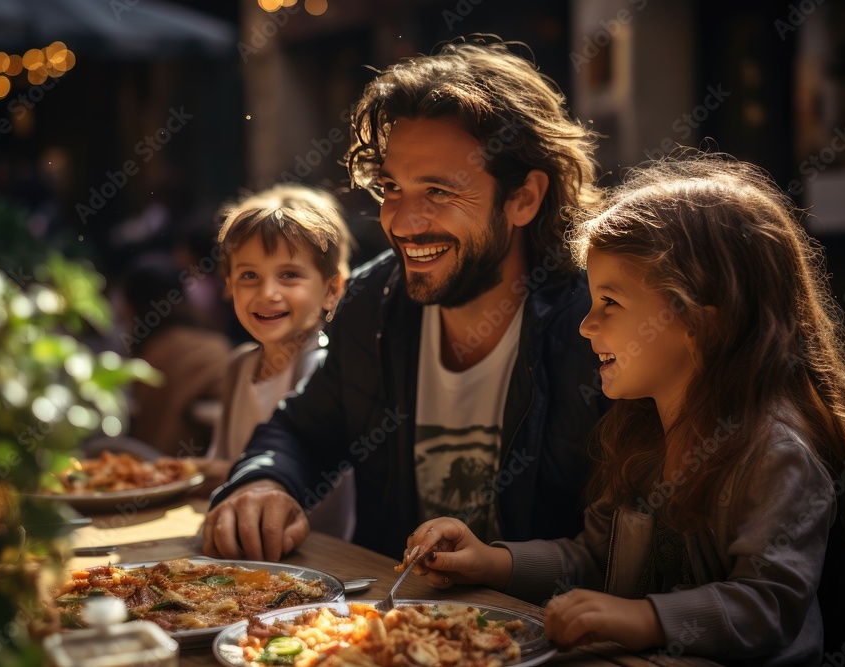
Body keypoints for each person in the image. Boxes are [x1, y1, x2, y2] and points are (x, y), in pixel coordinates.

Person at [401, 153, 845, 665]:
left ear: (703, 321)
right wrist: (489, 562)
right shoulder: (641, 430)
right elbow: (593, 558)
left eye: (611, 302)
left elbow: (767, 606)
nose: (586, 325)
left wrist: (643, 618)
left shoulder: (776, 456)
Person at [203, 35, 610, 562]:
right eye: (392, 188)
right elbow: (301, 432)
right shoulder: (375, 302)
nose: (403, 222)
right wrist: (261, 484)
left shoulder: (596, 326)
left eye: (438, 192)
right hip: (391, 631)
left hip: (550, 636)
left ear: (523, 199)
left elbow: (626, 547)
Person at [191, 184, 356, 539]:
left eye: (289, 275)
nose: (268, 293)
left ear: (332, 290)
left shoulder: (323, 367)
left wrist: (216, 473)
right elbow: (222, 461)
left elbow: (319, 485)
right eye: (250, 276)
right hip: (246, 542)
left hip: (318, 551)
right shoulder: (239, 367)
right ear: (229, 285)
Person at [119, 253, 235, 457]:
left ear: (130, 308)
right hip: (206, 474)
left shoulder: (148, 357)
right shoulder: (216, 346)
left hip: (161, 475)